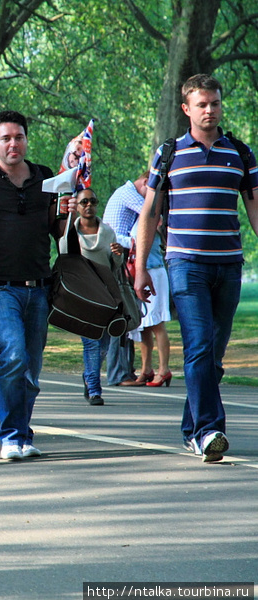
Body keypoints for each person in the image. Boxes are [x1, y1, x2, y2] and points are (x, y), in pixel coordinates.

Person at [134, 74, 258, 463]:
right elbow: (150, 213)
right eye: (202, 104)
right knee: (200, 344)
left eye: (215, 103)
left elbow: (255, 208)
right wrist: (139, 269)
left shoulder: (240, 153)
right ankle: (210, 431)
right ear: (186, 108)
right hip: (185, 263)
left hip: (229, 265)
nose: (210, 110)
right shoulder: (168, 153)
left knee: (213, 357)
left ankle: (192, 429)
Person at [0, 110, 73, 461]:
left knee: (31, 369)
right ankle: (9, 437)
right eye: (5, 138)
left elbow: (59, 231)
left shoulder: (46, 177)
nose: (13, 144)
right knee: (14, 354)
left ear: (25, 140)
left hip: (40, 286)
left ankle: (22, 434)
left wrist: (67, 212)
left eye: (18, 137)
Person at [58, 189, 123, 406]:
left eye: (93, 201)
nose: (89, 205)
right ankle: (94, 389)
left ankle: (88, 376)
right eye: (84, 201)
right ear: (76, 206)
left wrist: (118, 255)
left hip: (105, 294)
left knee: (103, 343)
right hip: (82, 296)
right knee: (92, 343)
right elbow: (64, 260)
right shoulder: (69, 233)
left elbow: (115, 266)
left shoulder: (107, 232)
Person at [102, 172, 150, 386]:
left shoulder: (125, 193)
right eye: (153, 190)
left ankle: (125, 372)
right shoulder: (128, 193)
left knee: (127, 315)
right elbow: (151, 216)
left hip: (120, 260)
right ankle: (118, 374)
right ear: (146, 182)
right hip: (117, 261)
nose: (153, 196)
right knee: (121, 315)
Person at [129, 218, 172, 388]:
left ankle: (164, 369)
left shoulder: (154, 216)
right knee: (144, 324)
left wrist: (115, 238)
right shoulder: (139, 216)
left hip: (153, 272)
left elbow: (138, 241)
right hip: (141, 273)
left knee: (157, 323)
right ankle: (146, 369)